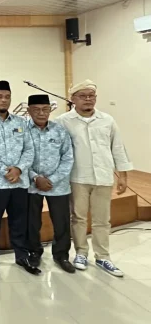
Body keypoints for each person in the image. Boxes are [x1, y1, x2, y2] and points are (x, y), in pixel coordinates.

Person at [56, 80, 133, 277]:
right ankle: (81, 253)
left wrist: (123, 175)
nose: (88, 99)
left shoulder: (107, 120)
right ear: (73, 99)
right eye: (83, 96)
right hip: (77, 177)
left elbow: (117, 147)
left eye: (91, 96)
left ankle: (103, 256)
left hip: (103, 176)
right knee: (78, 218)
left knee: (102, 220)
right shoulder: (63, 121)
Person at [0, 80, 39, 276]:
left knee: (19, 221)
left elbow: (29, 150)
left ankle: (21, 255)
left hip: (20, 182)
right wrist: (6, 171)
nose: (3, 100)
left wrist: (18, 169)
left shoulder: (21, 122)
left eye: (7, 97)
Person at [25, 94, 75, 274]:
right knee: (31, 222)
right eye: (36, 109)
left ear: (50, 110)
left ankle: (61, 255)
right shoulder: (22, 131)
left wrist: (51, 180)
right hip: (31, 185)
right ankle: (34, 252)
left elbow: (68, 158)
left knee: (62, 222)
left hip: (58, 186)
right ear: (28, 111)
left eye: (45, 109)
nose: (41, 113)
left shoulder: (60, 131)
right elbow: (18, 156)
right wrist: (35, 177)